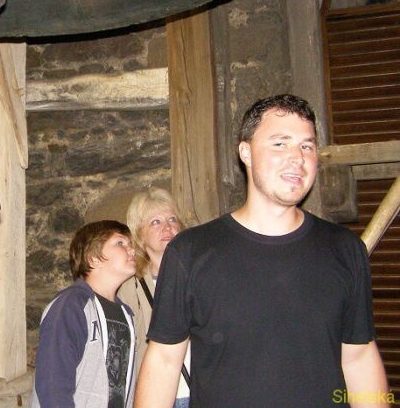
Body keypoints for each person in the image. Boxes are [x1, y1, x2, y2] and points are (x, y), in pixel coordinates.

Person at [136, 94, 388, 407]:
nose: (297, 158)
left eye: (306, 146)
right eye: (280, 143)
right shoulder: (190, 251)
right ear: (246, 152)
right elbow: (164, 361)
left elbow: (359, 357)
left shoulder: (345, 248)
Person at [31, 220, 138, 407]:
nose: (132, 250)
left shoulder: (126, 315)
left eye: (130, 244)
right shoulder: (71, 306)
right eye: (120, 243)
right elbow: (53, 382)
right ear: (93, 258)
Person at [117, 188, 190, 408]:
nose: (167, 227)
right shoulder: (129, 288)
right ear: (140, 235)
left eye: (172, 219)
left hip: (204, 393)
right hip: (158, 397)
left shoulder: (200, 276)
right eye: (155, 222)